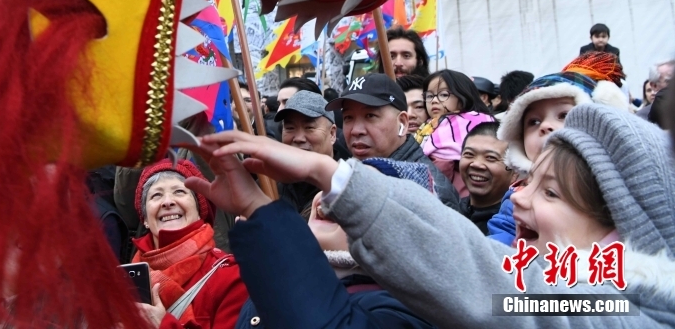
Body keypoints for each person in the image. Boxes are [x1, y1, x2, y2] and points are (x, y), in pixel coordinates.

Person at [192, 103, 675, 328]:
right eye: (526, 181)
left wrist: (333, 176)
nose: (519, 201)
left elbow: (494, 287)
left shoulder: (617, 312)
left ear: (619, 228)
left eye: (551, 193)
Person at [229, 183, 433, 329]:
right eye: (335, 183)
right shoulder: (290, 273)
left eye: (358, 193)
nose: (332, 196)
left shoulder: (398, 311)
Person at [487, 53, 628, 245]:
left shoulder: (618, 188)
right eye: (533, 121)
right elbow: (502, 233)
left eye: (563, 115)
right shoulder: (518, 191)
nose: (545, 126)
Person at [132, 159, 248, 329]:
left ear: (200, 210)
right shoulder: (129, 276)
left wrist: (163, 325)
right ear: (145, 219)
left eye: (179, 191)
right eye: (156, 195)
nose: (167, 202)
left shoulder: (230, 276)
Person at [325, 75, 460, 210]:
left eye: (370, 116)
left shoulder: (429, 189)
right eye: (348, 117)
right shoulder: (349, 173)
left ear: (402, 122)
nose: (356, 130)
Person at [414, 70, 494, 195]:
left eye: (444, 95)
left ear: (462, 96)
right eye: (429, 96)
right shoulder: (430, 124)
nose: (434, 100)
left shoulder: (459, 122)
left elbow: (442, 164)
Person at [274, 91, 337, 217]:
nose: (298, 138)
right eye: (290, 128)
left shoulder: (348, 187)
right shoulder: (267, 184)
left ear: (332, 134)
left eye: (309, 127)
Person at [457, 124, 513, 234]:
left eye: (491, 157)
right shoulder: (450, 210)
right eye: (469, 154)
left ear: (515, 171)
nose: (477, 164)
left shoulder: (514, 225)